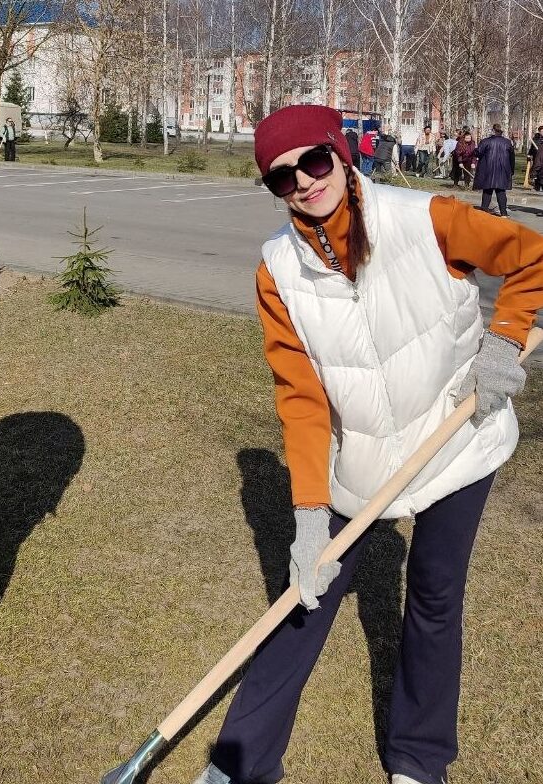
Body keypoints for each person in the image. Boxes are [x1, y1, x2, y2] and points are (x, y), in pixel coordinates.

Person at [194, 104, 543, 784]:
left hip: (457, 437)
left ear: (341, 154)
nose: (304, 182)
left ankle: (419, 758)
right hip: (366, 460)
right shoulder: (278, 273)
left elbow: (530, 258)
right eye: (282, 177)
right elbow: (301, 400)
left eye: (314, 162)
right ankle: (242, 763)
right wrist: (306, 517)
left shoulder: (425, 220)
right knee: (307, 597)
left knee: (436, 598)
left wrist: (502, 342)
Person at [473, 123, 515, 217]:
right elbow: (512, 157)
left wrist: (475, 149)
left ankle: (483, 211)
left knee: (487, 191)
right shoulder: (507, 142)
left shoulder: (485, 141)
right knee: (501, 192)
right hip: (503, 170)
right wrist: (511, 171)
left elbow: (478, 153)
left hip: (488, 169)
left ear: (493, 130)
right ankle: (503, 213)